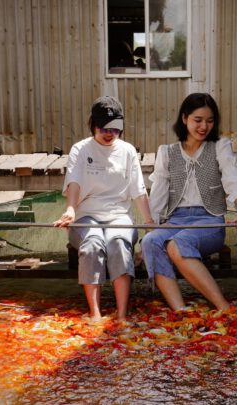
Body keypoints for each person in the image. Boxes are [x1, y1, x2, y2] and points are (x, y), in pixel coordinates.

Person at [141, 93, 237, 311]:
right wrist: (150, 227)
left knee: (178, 244)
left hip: (209, 220)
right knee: (150, 243)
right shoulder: (167, 152)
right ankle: (180, 311)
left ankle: (223, 307)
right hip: (176, 220)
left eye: (210, 121)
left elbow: (232, 176)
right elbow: (158, 195)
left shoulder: (220, 146)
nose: (204, 126)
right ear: (185, 119)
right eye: (198, 120)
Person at [53, 96, 153, 322]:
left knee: (118, 243)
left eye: (115, 129)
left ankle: (122, 314)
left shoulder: (127, 151)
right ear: (93, 125)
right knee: (93, 244)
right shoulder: (80, 149)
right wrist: (70, 210)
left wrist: (149, 223)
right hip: (86, 215)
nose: (109, 134)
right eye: (103, 129)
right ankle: (95, 313)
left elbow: (138, 189)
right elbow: (74, 182)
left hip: (119, 215)